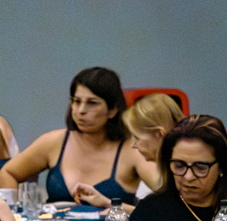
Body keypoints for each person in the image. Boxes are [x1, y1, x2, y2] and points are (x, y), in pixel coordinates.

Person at [0, 67, 156, 212]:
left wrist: (113, 206)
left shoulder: (132, 149)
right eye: (76, 101)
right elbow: (8, 172)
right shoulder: (54, 142)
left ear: (112, 110)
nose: (81, 110)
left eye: (92, 103)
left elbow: (166, 202)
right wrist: (12, 216)